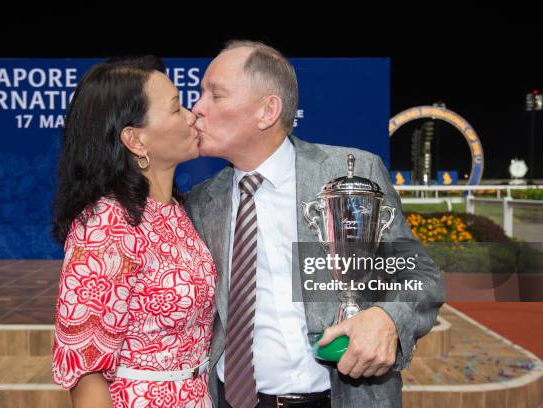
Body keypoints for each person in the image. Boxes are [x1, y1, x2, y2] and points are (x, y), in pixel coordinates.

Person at [184, 41, 444, 408]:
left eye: (216, 95)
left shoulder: (351, 172)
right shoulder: (200, 202)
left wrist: (388, 317)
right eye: (200, 94)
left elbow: (421, 275)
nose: (197, 108)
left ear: (267, 110)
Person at [51, 56, 216, 408]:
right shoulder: (105, 225)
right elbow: (86, 371)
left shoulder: (175, 210)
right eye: (175, 109)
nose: (191, 116)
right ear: (135, 139)